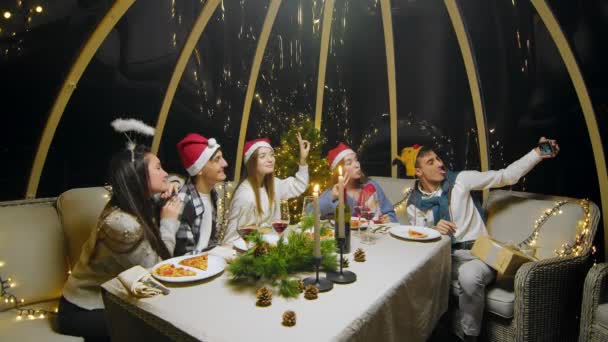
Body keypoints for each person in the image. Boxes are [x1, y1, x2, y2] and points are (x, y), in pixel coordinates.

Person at [404, 137, 559, 341]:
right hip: (446, 258)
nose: (440, 163)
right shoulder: (414, 202)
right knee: (411, 276)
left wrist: (537, 153)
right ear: (418, 172)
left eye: (438, 158)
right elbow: (419, 240)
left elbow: (506, 176)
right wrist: (434, 230)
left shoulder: (461, 180)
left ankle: (470, 337)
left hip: (480, 254)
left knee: (469, 275)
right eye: (431, 162)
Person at [57, 142, 182, 341]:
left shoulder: (136, 200)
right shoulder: (122, 223)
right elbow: (156, 272)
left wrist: (174, 183)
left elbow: (177, 179)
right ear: (138, 176)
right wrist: (168, 223)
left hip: (113, 299)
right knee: (158, 329)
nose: (165, 172)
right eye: (158, 168)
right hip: (84, 309)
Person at [224, 133, 310, 243]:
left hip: (272, 248)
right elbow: (231, 239)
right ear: (251, 163)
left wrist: (302, 160)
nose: (270, 160)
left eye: (271, 155)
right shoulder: (245, 195)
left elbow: (299, 185)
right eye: (262, 156)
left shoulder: (273, 185)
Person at [167, 133, 229, 256]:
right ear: (199, 169)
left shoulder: (213, 194)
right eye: (217, 159)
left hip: (206, 261)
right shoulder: (182, 202)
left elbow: (209, 242)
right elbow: (184, 256)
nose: (225, 163)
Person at [318, 142, 397, 223]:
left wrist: (389, 220)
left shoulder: (372, 185)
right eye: (349, 163)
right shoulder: (333, 193)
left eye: (356, 160)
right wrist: (332, 196)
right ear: (340, 170)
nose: (357, 165)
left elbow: (391, 214)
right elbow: (310, 212)